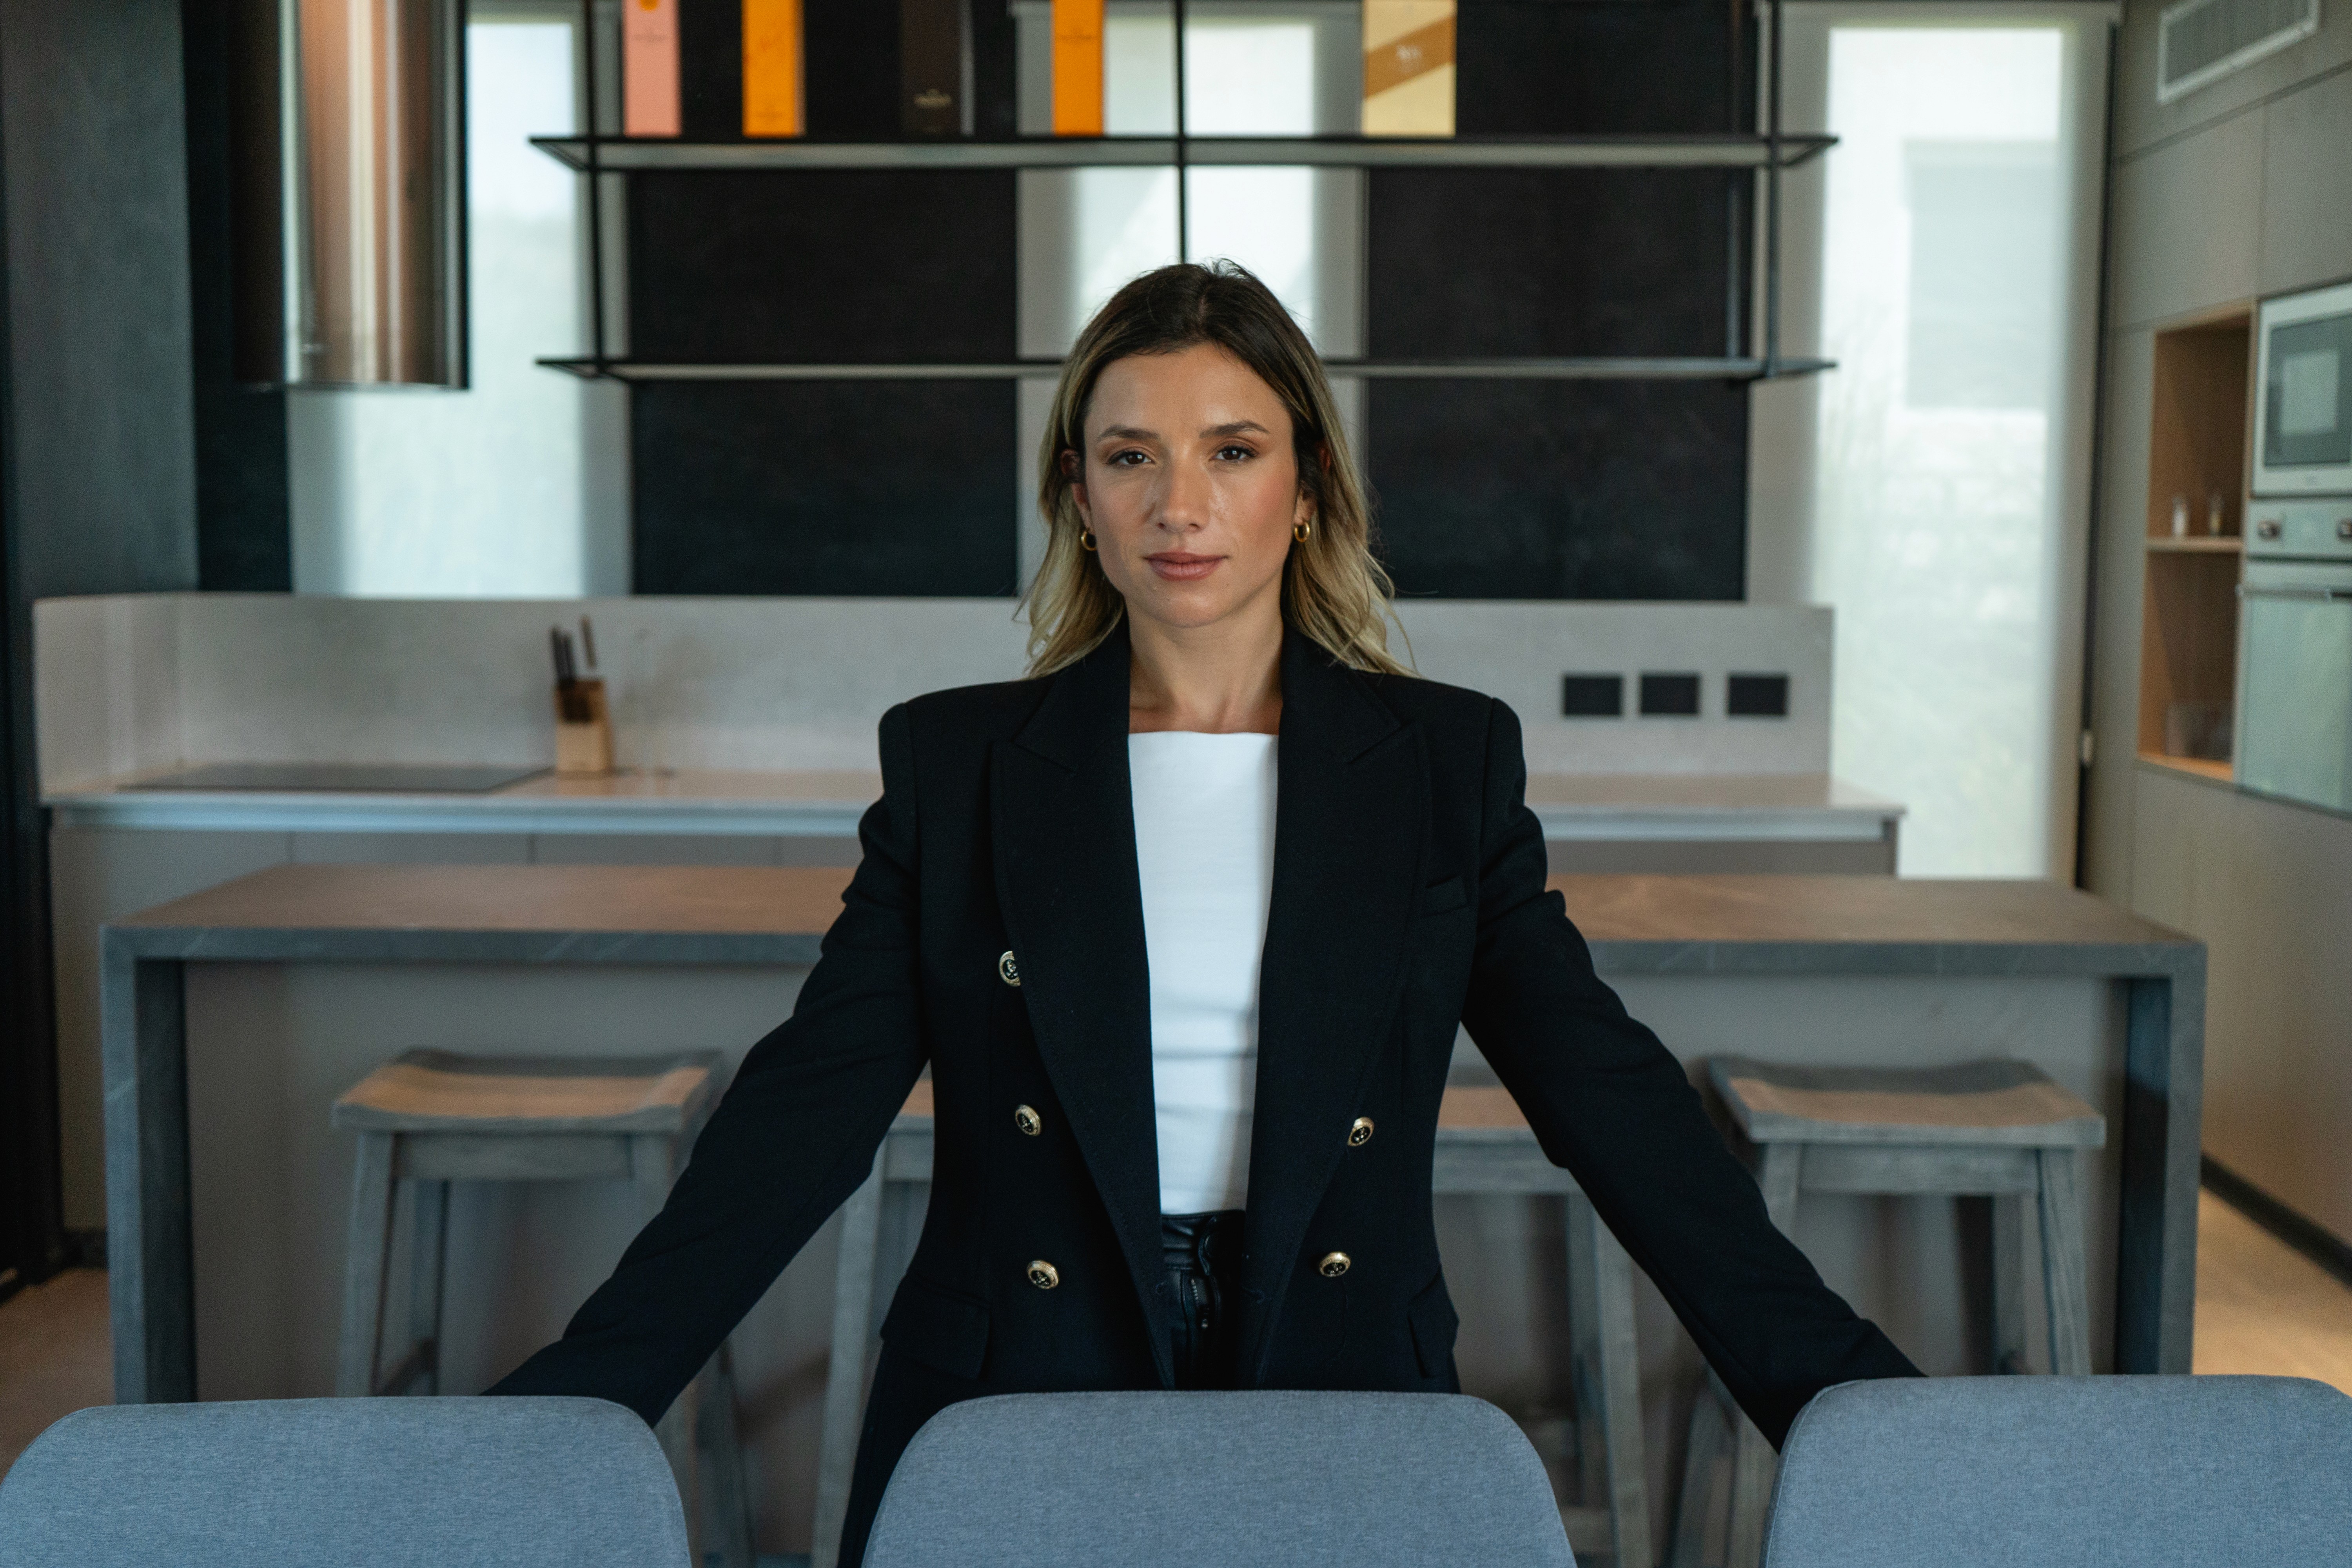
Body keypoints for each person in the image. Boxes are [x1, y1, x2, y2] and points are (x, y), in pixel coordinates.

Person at [492, 260, 1919, 1561]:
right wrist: (568, 1413)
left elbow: (1607, 1094)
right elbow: (802, 1115)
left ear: (1304, 488)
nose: (1182, 507)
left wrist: (1851, 1400)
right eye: (1133, 459)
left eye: (1232, 453)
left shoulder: (1439, 765)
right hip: (1018, 1381)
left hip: (1338, 1356)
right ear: (1079, 495)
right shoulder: (962, 763)